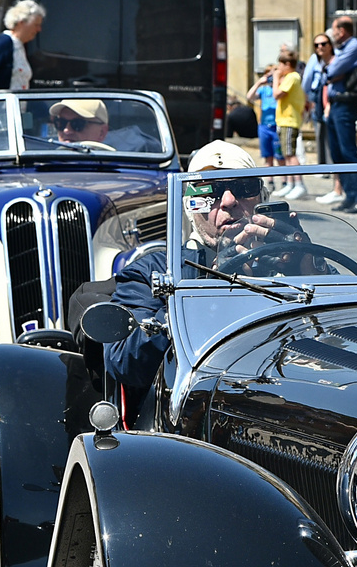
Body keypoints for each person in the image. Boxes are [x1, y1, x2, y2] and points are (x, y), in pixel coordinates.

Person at [106, 141, 288, 397]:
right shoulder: (153, 272)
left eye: (243, 187)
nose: (227, 201)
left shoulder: (287, 260)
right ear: (189, 206)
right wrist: (208, 294)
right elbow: (124, 362)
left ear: (263, 199)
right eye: (207, 190)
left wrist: (314, 268)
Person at [323, 15, 357, 213]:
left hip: (345, 105)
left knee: (348, 152)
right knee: (337, 153)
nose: (332, 33)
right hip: (335, 105)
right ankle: (350, 195)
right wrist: (331, 71)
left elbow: (331, 69)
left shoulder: (353, 46)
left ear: (342, 31)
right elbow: (329, 71)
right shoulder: (342, 49)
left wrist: (331, 70)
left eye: (334, 29)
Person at [304, 34, 342, 205]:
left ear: (330, 45)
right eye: (316, 44)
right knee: (322, 138)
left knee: (336, 148)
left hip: (333, 106)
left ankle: (339, 188)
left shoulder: (336, 61)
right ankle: (335, 184)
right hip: (320, 102)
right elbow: (308, 81)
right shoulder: (317, 61)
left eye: (323, 43)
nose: (320, 47)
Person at [0, 0, 44, 91]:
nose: (39, 29)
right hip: (3, 104)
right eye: (36, 25)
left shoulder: (20, 45)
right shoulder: (4, 43)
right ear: (21, 22)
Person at [271, 50, 308, 200]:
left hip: (289, 120)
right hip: (284, 120)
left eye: (281, 63)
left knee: (291, 154)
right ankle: (290, 184)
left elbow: (277, 94)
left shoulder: (292, 77)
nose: (279, 67)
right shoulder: (290, 77)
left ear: (288, 64)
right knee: (286, 154)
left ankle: (299, 184)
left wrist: (275, 78)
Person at [250, 66, 280, 169]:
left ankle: (285, 181)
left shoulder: (280, 89)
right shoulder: (264, 90)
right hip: (264, 126)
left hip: (277, 126)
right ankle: (270, 181)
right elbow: (249, 97)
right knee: (268, 157)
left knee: (280, 157)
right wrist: (259, 83)